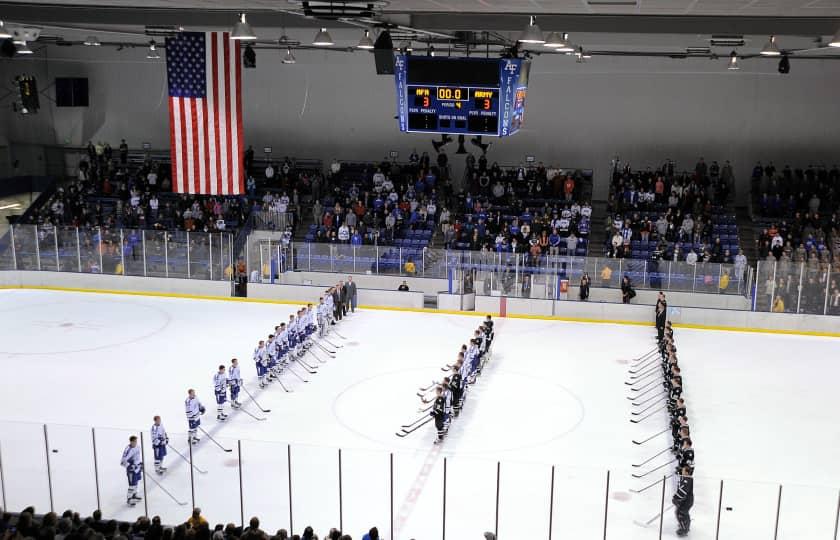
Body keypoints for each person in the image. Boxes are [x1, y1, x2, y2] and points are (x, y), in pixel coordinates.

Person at [120, 436, 143, 506]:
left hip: (137, 468)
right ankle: (129, 498)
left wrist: (140, 463)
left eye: (136, 441)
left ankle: (134, 495)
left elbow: (138, 457)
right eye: (135, 441)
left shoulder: (138, 447)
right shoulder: (128, 450)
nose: (136, 443)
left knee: (136, 482)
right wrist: (130, 466)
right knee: (132, 485)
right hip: (131, 471)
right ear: (131, 442)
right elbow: (122, 462)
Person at [673, 466, 694, 536]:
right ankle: (685, 526)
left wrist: (676, 498)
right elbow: (681, 488)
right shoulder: (686, 478)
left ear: (687, 472)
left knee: (680, 513)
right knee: (682, 512)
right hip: (685, 500)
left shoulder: (687, 479)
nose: (682, 471)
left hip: (687, 500)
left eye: (683, 471)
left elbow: (683, 490)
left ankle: (684, 529)